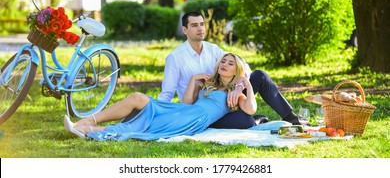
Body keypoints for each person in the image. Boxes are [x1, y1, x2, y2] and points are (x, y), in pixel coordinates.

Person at [64, 53, 257, 141]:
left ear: (236, 70)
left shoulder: (234, 93)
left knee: (144, 126)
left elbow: (250, 110)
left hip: (193, 120)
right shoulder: (208, 83)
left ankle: (89, 130)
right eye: (223, 61)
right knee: (138, 97)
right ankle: (87, 120)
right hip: (185, 110)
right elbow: (187, 102)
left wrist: (246, 84)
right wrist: (193, 80)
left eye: (230, 63)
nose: (224, 64)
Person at [158, 11, 300, 128]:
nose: (200, 29)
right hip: (205, 109)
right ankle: (254, 120)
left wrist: (239, 86)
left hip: (230, 97)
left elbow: (240, 64)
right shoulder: (175, 58)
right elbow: (167, 93)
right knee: (246, 121)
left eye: (202, 24)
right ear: (185, 30)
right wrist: (160, 118)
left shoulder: (212, 49)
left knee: (260, 75)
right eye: (194, 25)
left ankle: (292, 118)